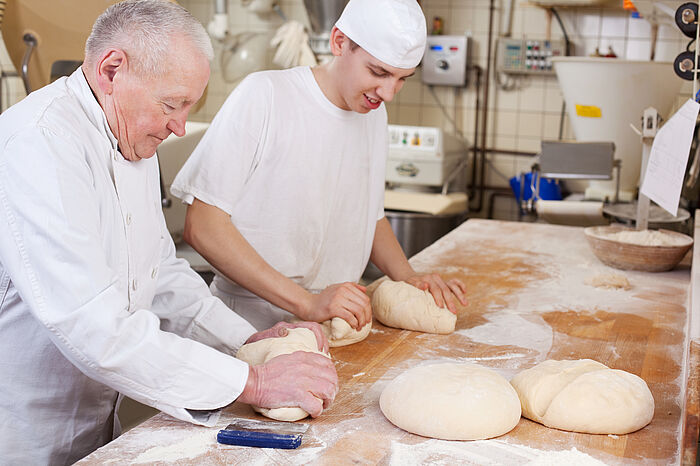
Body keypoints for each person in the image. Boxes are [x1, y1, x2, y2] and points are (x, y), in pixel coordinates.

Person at [0, 1, 336, 464]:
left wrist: (242, 341)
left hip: (99, 429)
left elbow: (158, 274)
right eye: (171, 104)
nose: (179, 126)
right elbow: (92, 327)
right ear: (112, 70)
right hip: (23, 437)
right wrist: (252, 382)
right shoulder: (38, 145)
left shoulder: (130, 135)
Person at [171, 0, 468, 332]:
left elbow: (370, 216)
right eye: (378, 72)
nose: (388, 93)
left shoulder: (373, 114)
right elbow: (202, 227)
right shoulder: (265, 96)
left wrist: (409, 277)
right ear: (339, 42)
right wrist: (306, 302)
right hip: (246, 325)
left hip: (335, 323)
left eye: (402, 79)